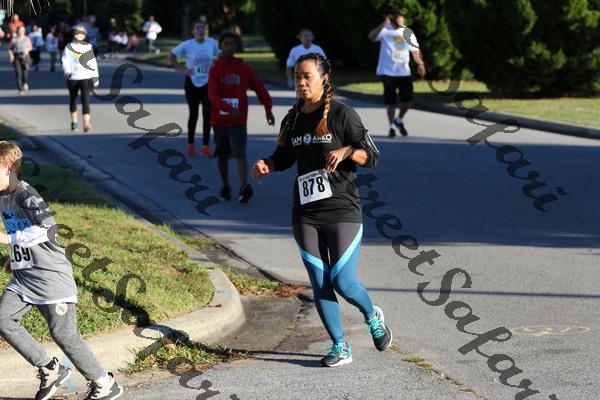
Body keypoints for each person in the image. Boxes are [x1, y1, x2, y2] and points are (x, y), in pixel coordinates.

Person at [251, 53, 392, 367]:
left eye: (307, 77)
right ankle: (340, 346)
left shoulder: (343, 114)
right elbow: (283, 157)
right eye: (297, 77)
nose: (301, 83)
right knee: (319, 281)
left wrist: (347, 151)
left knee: (343, 282)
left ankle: (371, 314)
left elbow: (373, 155)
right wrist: (266, 164)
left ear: (324, 78)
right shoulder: (293, 119)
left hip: (342, 210)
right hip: (305, 214)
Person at [0, 141, 123, 400]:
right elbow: (21, 233)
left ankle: (104, 383)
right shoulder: (3, 197)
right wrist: (15, 256)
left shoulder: (27, 194)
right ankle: (49, 368)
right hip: (24, 277)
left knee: (64, 335)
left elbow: (47, 228)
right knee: (3, 320)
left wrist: (8, 240)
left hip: (50, 277)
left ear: (9, 168)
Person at [208, 31, 275, 203]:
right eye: (226, 44)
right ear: (220, 46)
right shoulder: (215, 69)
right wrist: (229, 109)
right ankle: (225, 186)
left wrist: (268, 109)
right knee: (222, 154)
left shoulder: (244, 68)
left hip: (239, 120)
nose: (229, 46)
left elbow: (260, 88)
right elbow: (213, 96)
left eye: (232, 43)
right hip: (220, 120)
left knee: (240, 152)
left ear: (236, 46)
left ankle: (244, 186)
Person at [368, 8, 426, 137]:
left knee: (408, 99)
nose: (401, 22)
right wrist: (383, 24)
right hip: (387, 72)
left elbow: (415, 50)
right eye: (398, 20)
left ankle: (399, 120)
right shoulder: (384, 30)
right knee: (391, 102)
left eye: (402, 20)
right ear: (392, 19)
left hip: (403, 72)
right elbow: (371, 36)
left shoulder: (407, 32)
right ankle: (391, 127)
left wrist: (421, 64)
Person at [169, 22, 220, 157]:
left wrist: (217, 68)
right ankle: (190, 144)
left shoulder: (211, 43)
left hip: (207, 83)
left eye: (203, 28)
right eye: (198, 28)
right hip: (191, 82)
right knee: (194, 114)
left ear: (206, 31)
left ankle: (205, 146)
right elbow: (171, 55)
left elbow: (221, 55)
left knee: (207, 114)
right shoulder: (187, 45)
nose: (200, 30)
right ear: (193, 31)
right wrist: (182, 69)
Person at [61, 25, 100, 132]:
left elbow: (93, 63)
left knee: (85, 99)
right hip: (73, 77)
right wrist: (67, 71)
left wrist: (95, 78)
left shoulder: (88, 47)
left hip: (85, 76)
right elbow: (65, 61)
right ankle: (74, 122)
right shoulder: (69, 47)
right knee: (73, 99)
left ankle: (86, 122)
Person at [7, 26, 32, 95]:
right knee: (18, 73)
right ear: (17, 31)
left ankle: (24, 83)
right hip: (16, 57)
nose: (21, 31)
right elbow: (9, 48)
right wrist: (11, 55)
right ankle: (20, 89)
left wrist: (27, 50)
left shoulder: (26, 38)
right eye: (20, 30)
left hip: (25, 57)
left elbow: (30, 47)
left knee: (25, 73)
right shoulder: (14, 39)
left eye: (22, 30)